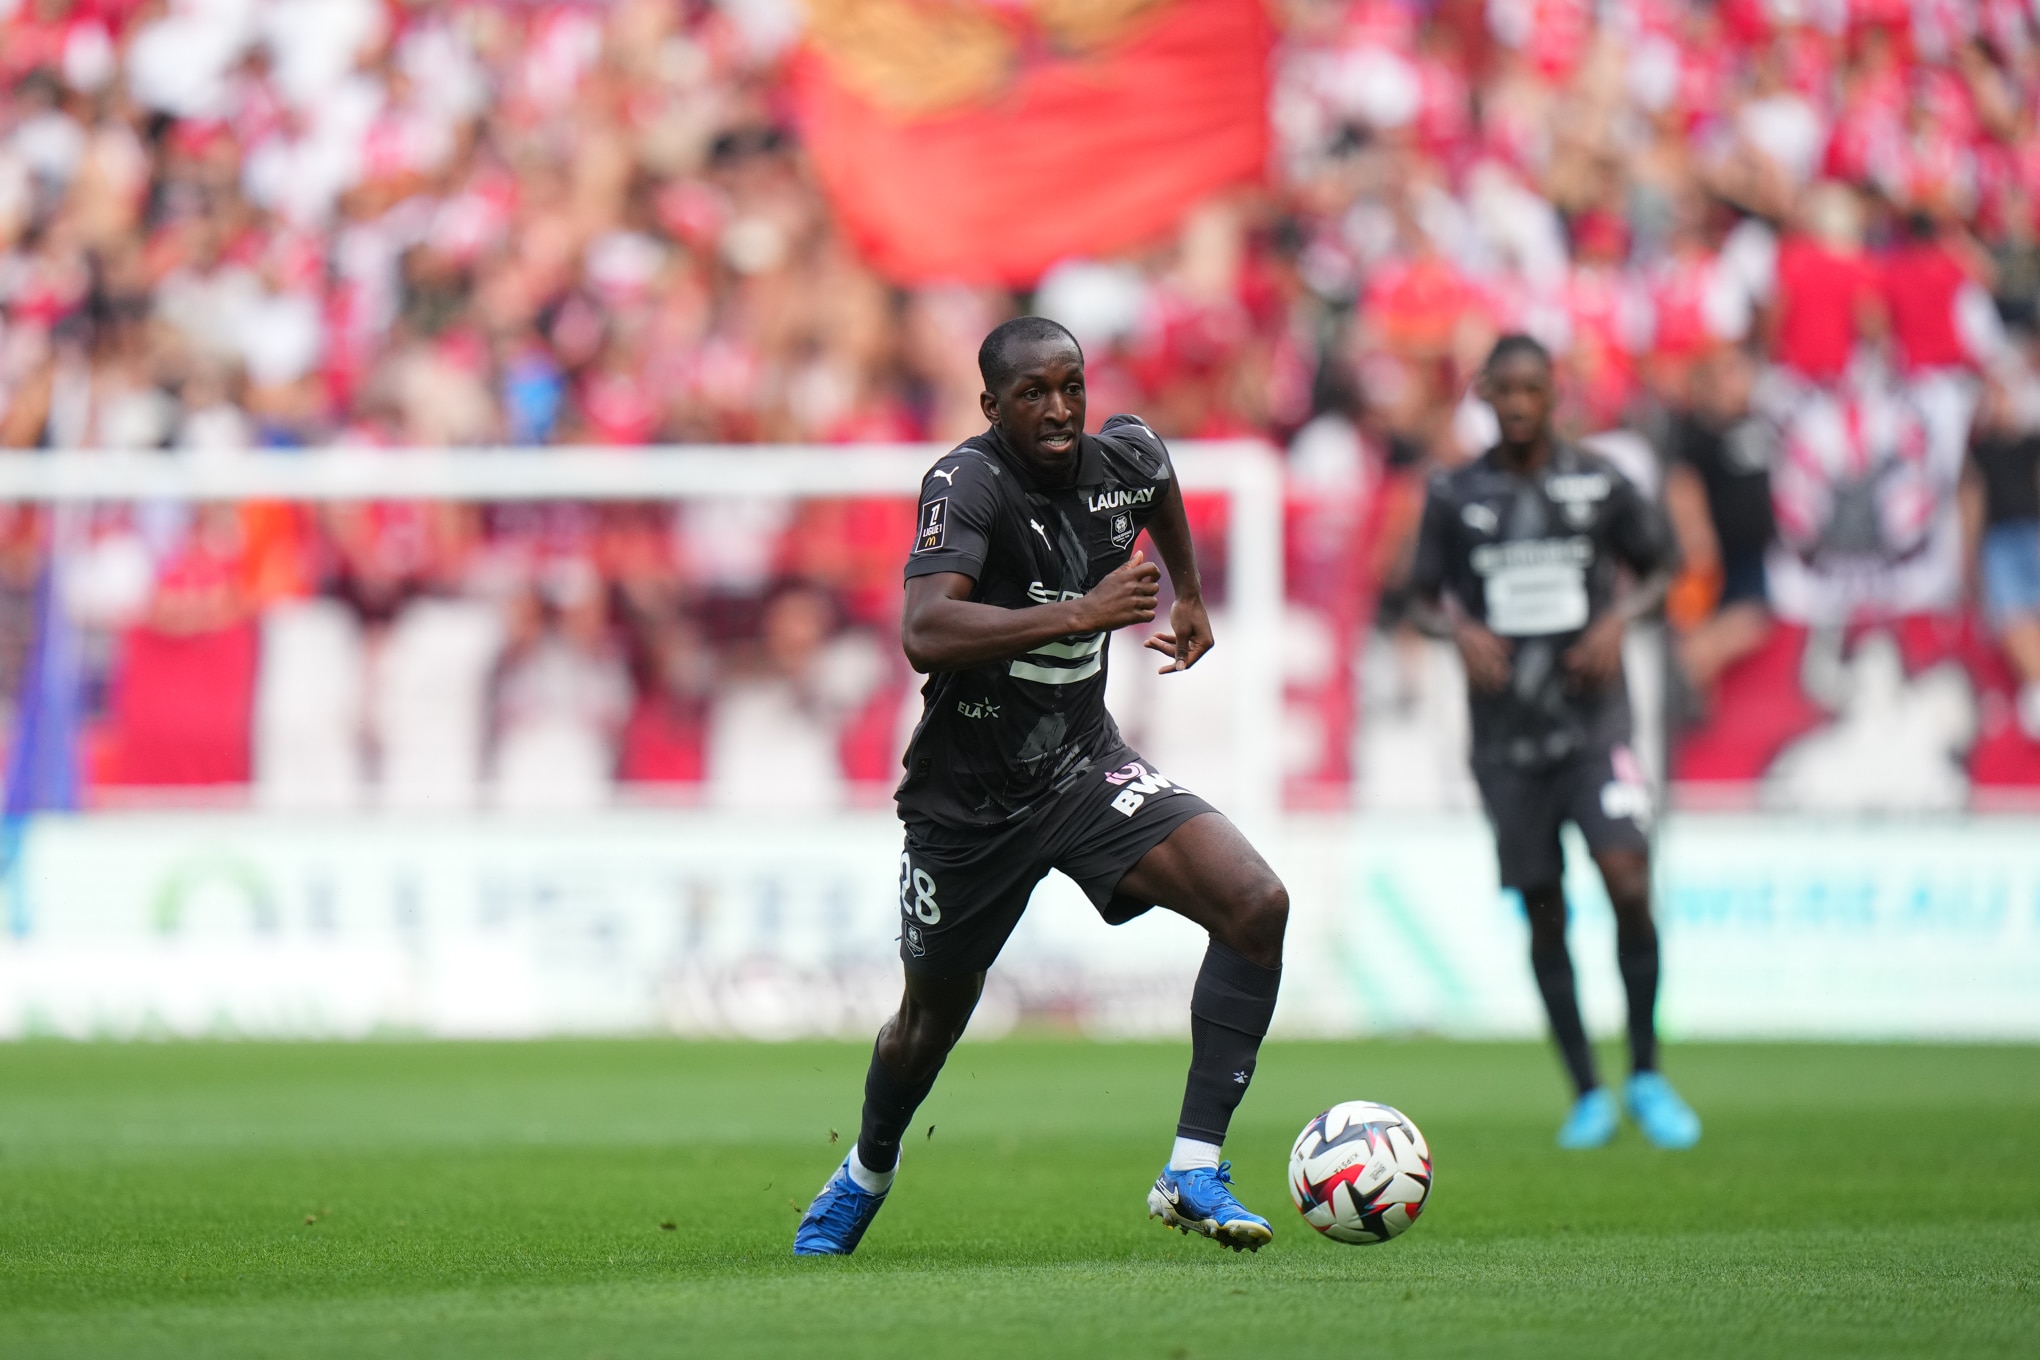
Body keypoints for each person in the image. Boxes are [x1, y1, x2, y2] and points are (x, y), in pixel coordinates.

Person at [794, 317, 1290, 1256]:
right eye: (1034, 394)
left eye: (1071, 387)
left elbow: (1160, 483)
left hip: (1081, 766)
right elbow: (926, 632)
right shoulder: (966, 482)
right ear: (992, 406)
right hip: (968, 798)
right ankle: (866, 1169)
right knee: (927, 1024)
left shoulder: (1124, 456)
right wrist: (1084, 611)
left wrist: (1188, 593)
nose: (1060, 410)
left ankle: (1192, 1168)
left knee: (1256, 903)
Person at [1407, 334, 1701, 1150]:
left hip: (1594, 725)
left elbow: (1664, 564)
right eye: (1504, 390)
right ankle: (1586, 1091)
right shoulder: (1453, 493)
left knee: (1628, 879)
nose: (1520, 403)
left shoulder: (1598, 483)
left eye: (1533, 388)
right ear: (1484, 394)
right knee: (1545, 912)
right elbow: (1419, 599)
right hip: (1506, 740)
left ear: (1554, 394)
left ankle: (1645, 1073)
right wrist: (1456, 631)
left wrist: (1617, 619)